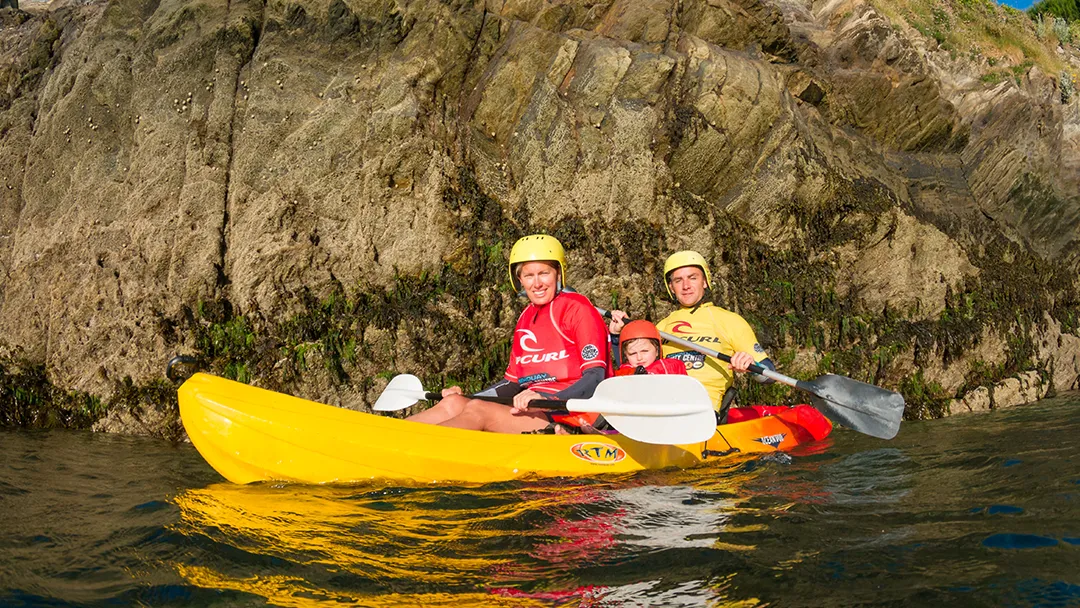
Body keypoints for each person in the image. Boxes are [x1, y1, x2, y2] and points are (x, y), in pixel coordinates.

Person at [406, 234, 611, 434]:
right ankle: (388, 438)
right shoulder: (525, 318)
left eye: (544, 273)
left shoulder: (578, 310)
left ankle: (417, 447)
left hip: (574, 415)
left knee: (479, 410)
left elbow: (595, 378)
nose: (537, 283)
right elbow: (511, 384)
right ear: (519, 279)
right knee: (454, 403)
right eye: (529, 276)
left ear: (558, 273)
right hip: (536, 409)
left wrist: (549, 400)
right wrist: (468, 396)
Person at [607, 250, 775, 418]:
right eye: (678, 280)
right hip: (659, 407)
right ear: (671, 287)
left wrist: (751, 367)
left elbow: (770, 376)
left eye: (693, 278)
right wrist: (617, 336)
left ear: (705, 281)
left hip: (701, 411)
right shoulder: (661, 327)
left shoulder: (730, 321)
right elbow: (632, 368)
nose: (686, 286)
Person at [612, 320, 687, 376]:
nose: (639, 358)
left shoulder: (672, 366)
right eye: (632, 353)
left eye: (644, 351)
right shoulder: (625, 372)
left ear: (657, 350)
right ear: (626, 355)